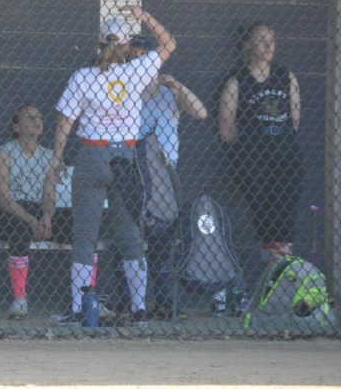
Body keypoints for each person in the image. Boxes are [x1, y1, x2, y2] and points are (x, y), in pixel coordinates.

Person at [48, 7, 176, 325]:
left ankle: (80, 308)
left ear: (98, 43)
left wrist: (57, 157)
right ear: (125, 46)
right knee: (130, 235)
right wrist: (144, 16)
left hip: (92, 155)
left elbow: (66, 120)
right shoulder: (136, 71)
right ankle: (138, 309)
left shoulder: (83, 76)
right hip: (127, 157)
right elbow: (169, 43)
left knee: (85, 235)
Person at [129, 34, 208, 320]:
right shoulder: (125, 92)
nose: (138, 62)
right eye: (133, 57)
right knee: (132, 238)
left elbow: (201, 113)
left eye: (143, 56)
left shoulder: (168, 91)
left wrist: (179, 87)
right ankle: (132, 304)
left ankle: (163, 303)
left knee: (162, 240)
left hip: (165, 174)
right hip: (134, 171)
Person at [218, 22, 303, 266]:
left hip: (286, 155)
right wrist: (253, 144)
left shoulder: (286, 77)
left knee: (285, 210)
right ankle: (274, 268)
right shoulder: (238, 81)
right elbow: (227, 129)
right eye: (261, 40)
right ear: (248, 45)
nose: (268, 45)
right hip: (254, 159)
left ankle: (279, 269)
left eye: (272, 40)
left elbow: (294, 121)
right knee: (266, 213)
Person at [0, 104, 56, 320]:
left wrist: (46, 217)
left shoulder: (48, 156)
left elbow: (48, 195)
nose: (37, 121)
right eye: (29, 117)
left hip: (36, 211)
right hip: (8, 213)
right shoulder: (3, 153)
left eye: (39, 117)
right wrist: (31, 220)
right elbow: (3, 199)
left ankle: (86, 298)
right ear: (16, 127)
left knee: (78, 226)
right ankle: (20, 300)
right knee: (19, 228)